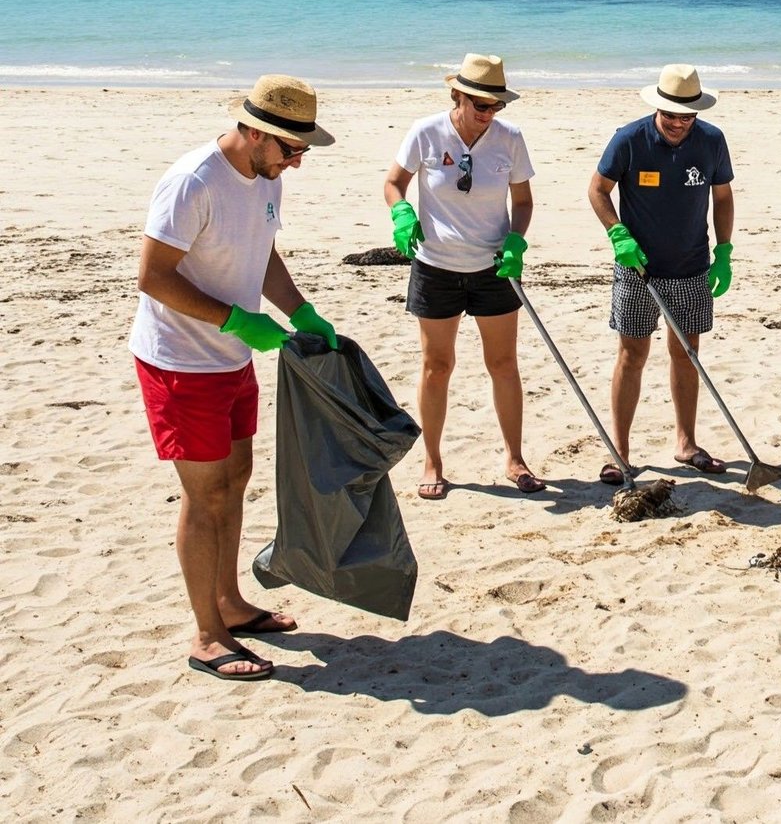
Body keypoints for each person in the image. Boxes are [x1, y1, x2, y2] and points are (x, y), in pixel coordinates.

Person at [130, 75, 338, 682]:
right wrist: (236, 320)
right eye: (291, 149)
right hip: (179, 362)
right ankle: (206, 636)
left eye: (302, 149)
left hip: (231, 358)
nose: (297, 162)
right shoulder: (195, 181)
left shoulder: (266, 176)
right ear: (253, 132)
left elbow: (262, 252)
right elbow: (153, 276)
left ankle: (228, 602)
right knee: (206, 495)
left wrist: (299, 310)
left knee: (237, 478)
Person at [383, 53, 539, 501]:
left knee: (503, 364)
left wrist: (516, 240)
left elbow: (523, 202)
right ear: (458, 96)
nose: (489, 113)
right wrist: (401, 212)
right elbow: (393, 183)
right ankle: (432, 460)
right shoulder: (426, 132)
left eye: (496, 106)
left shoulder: (510, 138)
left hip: (494, 267)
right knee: (437, 366)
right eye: (481, 105)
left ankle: (515, 457)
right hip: (436, 267)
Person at [587, 64, 735, 483]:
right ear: (657, 108)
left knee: (687, 353)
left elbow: (723, 197)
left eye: (686, 116)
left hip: (692, 266)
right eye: (670, 114)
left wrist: (724, 251)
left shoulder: (712, 140)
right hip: (637, 269)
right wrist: (617, 233)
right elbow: (597, 189)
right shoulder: (629, 139)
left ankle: (686, 443)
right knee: (632, 354)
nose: (677, 123)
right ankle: (619, 451)